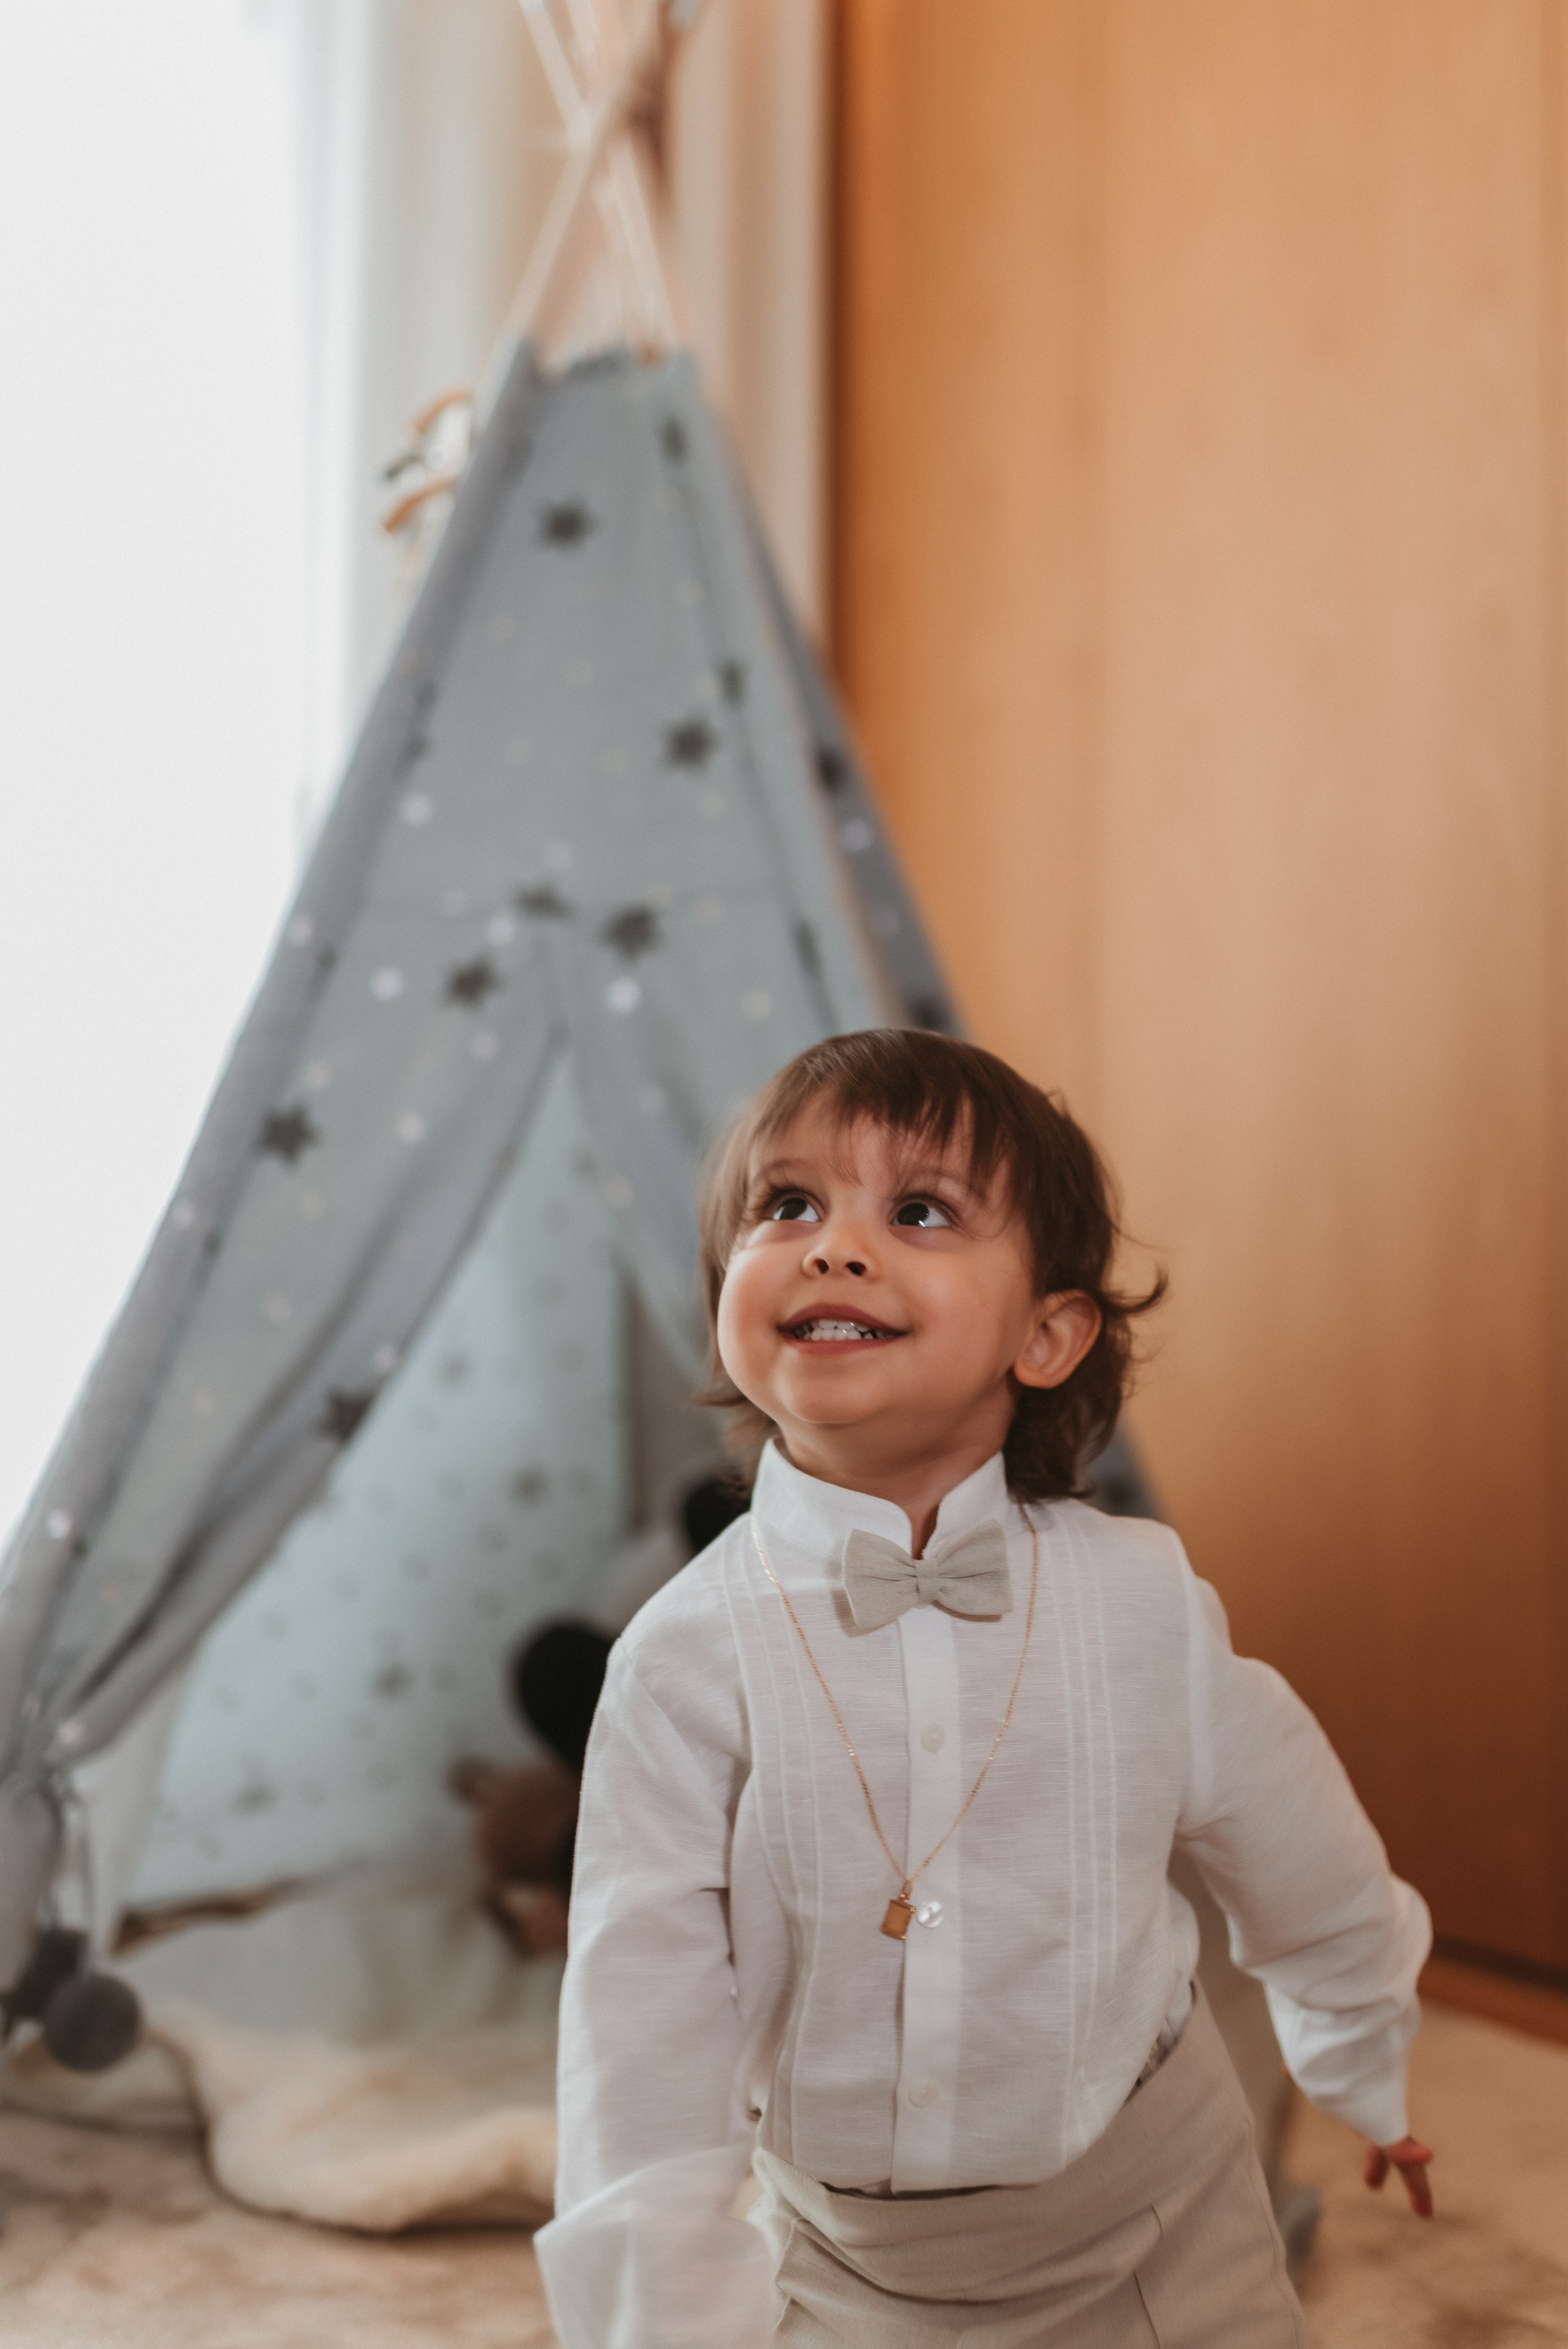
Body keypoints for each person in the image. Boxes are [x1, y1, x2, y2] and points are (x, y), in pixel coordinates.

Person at [535, 1030, 1433, 2347]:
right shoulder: (681, 1661)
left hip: (1153, 2205)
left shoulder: (1138, 1602)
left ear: (1047, 1334)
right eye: (785, 1205)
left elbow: (1297, 1845)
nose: (832, 1244)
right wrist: (665, 2309)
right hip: (851, 2259)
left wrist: (1359, 2057)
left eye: (916, 1211)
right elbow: (638, 2024)